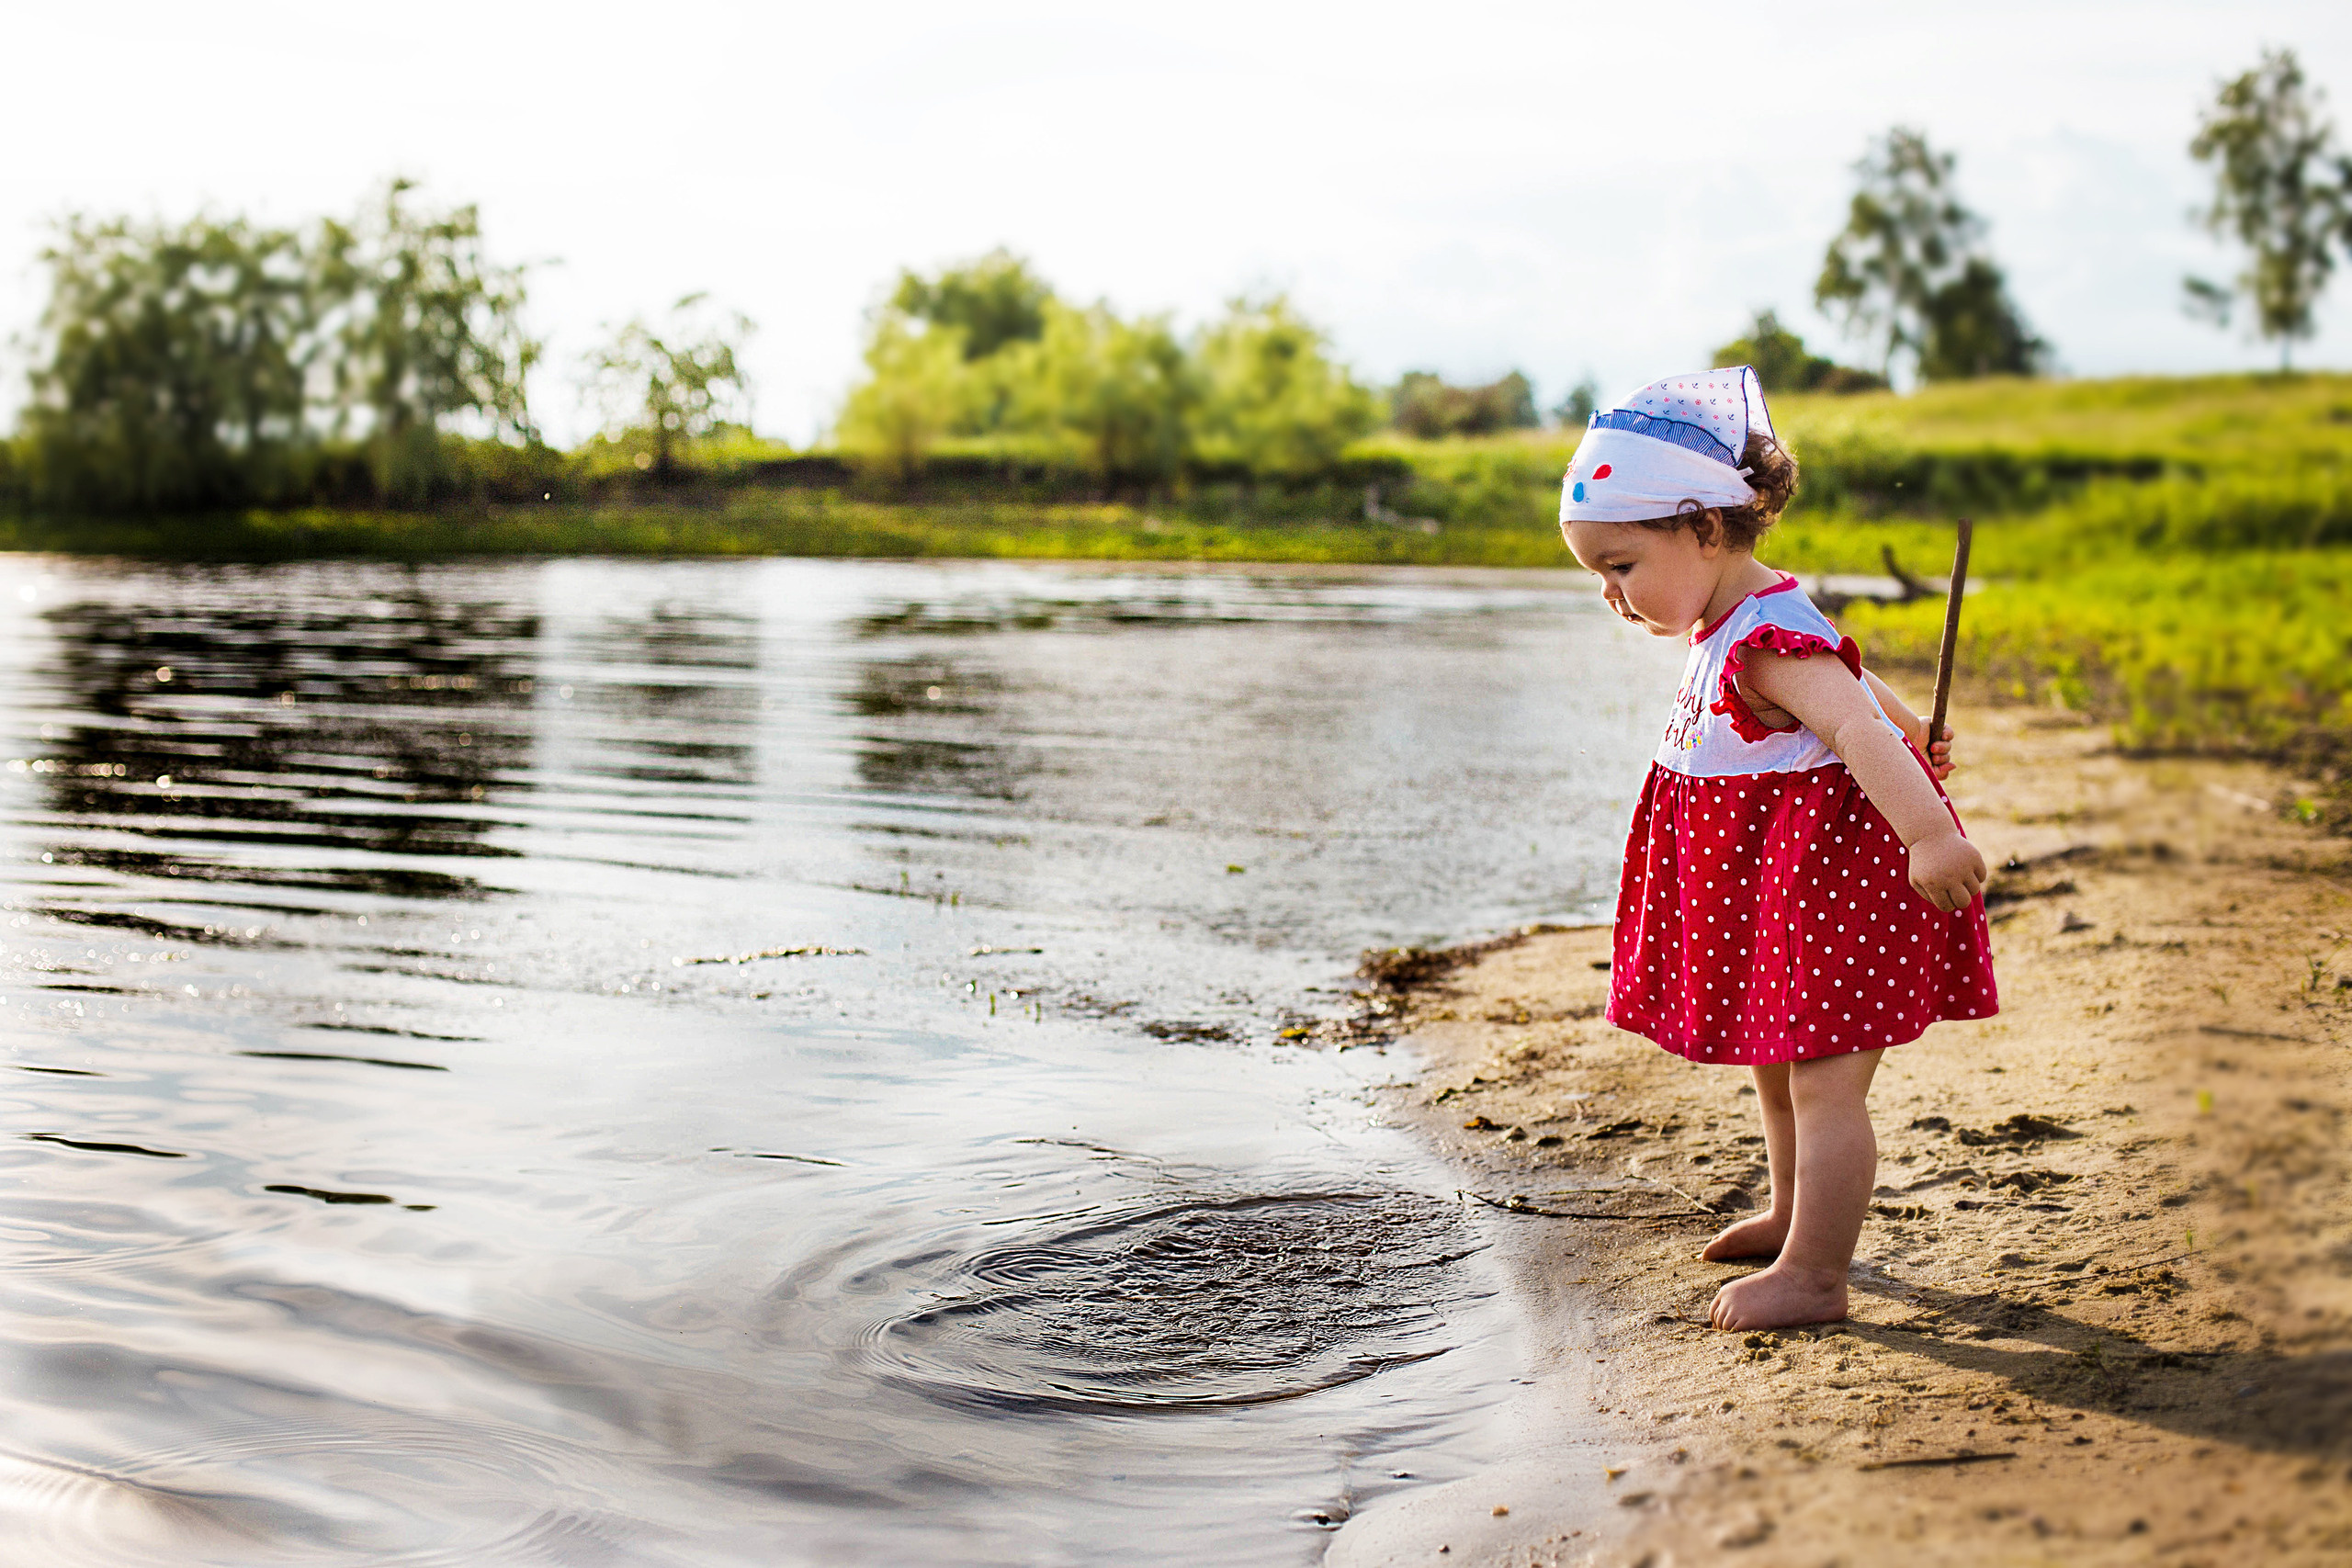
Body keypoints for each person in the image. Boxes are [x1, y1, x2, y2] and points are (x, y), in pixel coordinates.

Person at [1557, 367, 1997, 1331]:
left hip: (1833, 897)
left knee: (1825, 1084)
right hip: (1781, 900)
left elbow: (1854, 731)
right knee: (1778, 1067)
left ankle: (1816, 1275)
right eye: (1597, 574)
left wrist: (1926, 829)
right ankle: (1794, 1218)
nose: (1610, 595)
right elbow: (1858, 683)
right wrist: (1912, 722)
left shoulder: (1761, 640)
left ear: (1704, 529)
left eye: (1621, 566)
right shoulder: (1739, 624)